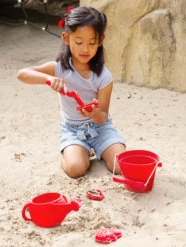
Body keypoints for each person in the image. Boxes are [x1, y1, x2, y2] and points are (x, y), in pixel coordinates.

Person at [17, 6, 126, 178]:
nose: (85, 49)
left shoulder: (104, 76)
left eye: (91, 43)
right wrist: (49, 79)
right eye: (79, 42)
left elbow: (103, 116)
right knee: (76, 169)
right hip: (73, 130)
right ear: (66, 38)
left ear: (100, 40)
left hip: (101, 128)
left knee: (121, 166)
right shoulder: (59, 68)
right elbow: (22, 74)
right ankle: (71, 156)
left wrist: (94, 113)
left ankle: (100, 151)